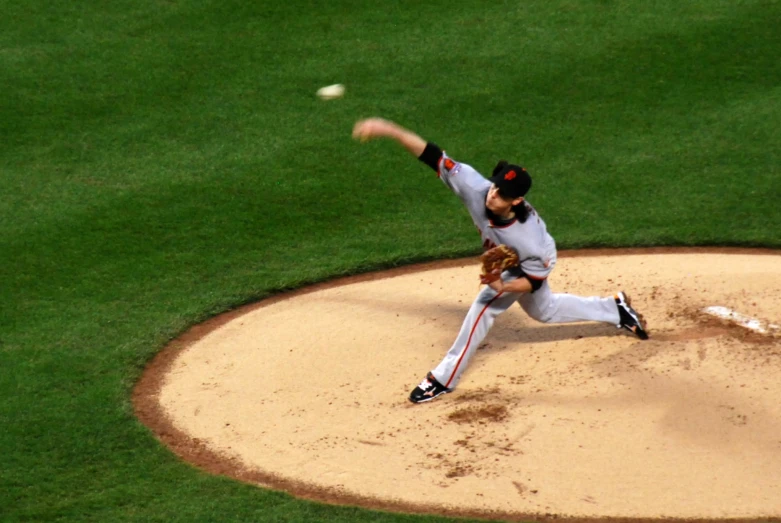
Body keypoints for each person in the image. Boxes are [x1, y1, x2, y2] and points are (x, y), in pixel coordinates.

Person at [352, 117, 649, 404]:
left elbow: (533, 281)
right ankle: (614, 308)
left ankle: (443, 378)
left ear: (516, 201)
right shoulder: (475, 186)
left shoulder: (529, 239)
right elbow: (432, 155)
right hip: (510, 260)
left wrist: (500, 285)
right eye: (495, 187)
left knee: (483, 307)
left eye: (502, 194)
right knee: (544, 311)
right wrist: (388, 129)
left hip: (528, 266)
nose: (493, 195)